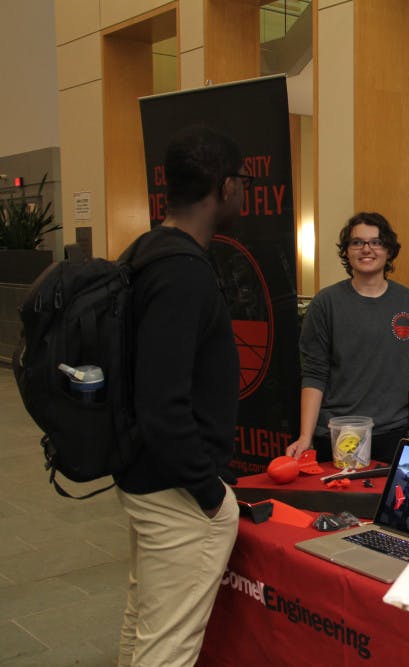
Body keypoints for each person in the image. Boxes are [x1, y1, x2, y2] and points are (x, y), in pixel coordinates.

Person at [114, 125, 245, 666]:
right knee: (167, 648)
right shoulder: (181, 272)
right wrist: (210, 494)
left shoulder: (146, 251)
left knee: (145, 626)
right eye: (240, 181)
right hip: (178, 492)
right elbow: (163, 402)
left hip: (149, 477)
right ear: (224, 186)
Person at [288, 213, 409, 464]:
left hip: (393, 434)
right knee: (333, 503)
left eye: (376, 242)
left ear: (389, 250)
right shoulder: (326, 303)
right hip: (335, 432)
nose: (367, 249)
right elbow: (314, 373)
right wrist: (305, 436)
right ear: (346, 251)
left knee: (386, 502)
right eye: (357, 243)